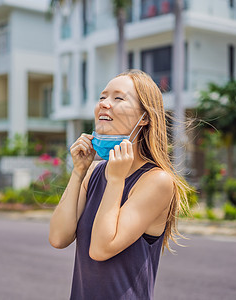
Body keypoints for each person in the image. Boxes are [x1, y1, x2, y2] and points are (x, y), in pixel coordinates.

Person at [49, 69, 191, 299]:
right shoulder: (93, 172)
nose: (105, 103)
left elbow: (101, 249)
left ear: (144, 117)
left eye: (118, 98)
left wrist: (116, 180)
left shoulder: (157, 181)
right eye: (102, 97)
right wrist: (78, 172)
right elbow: (58, 238)